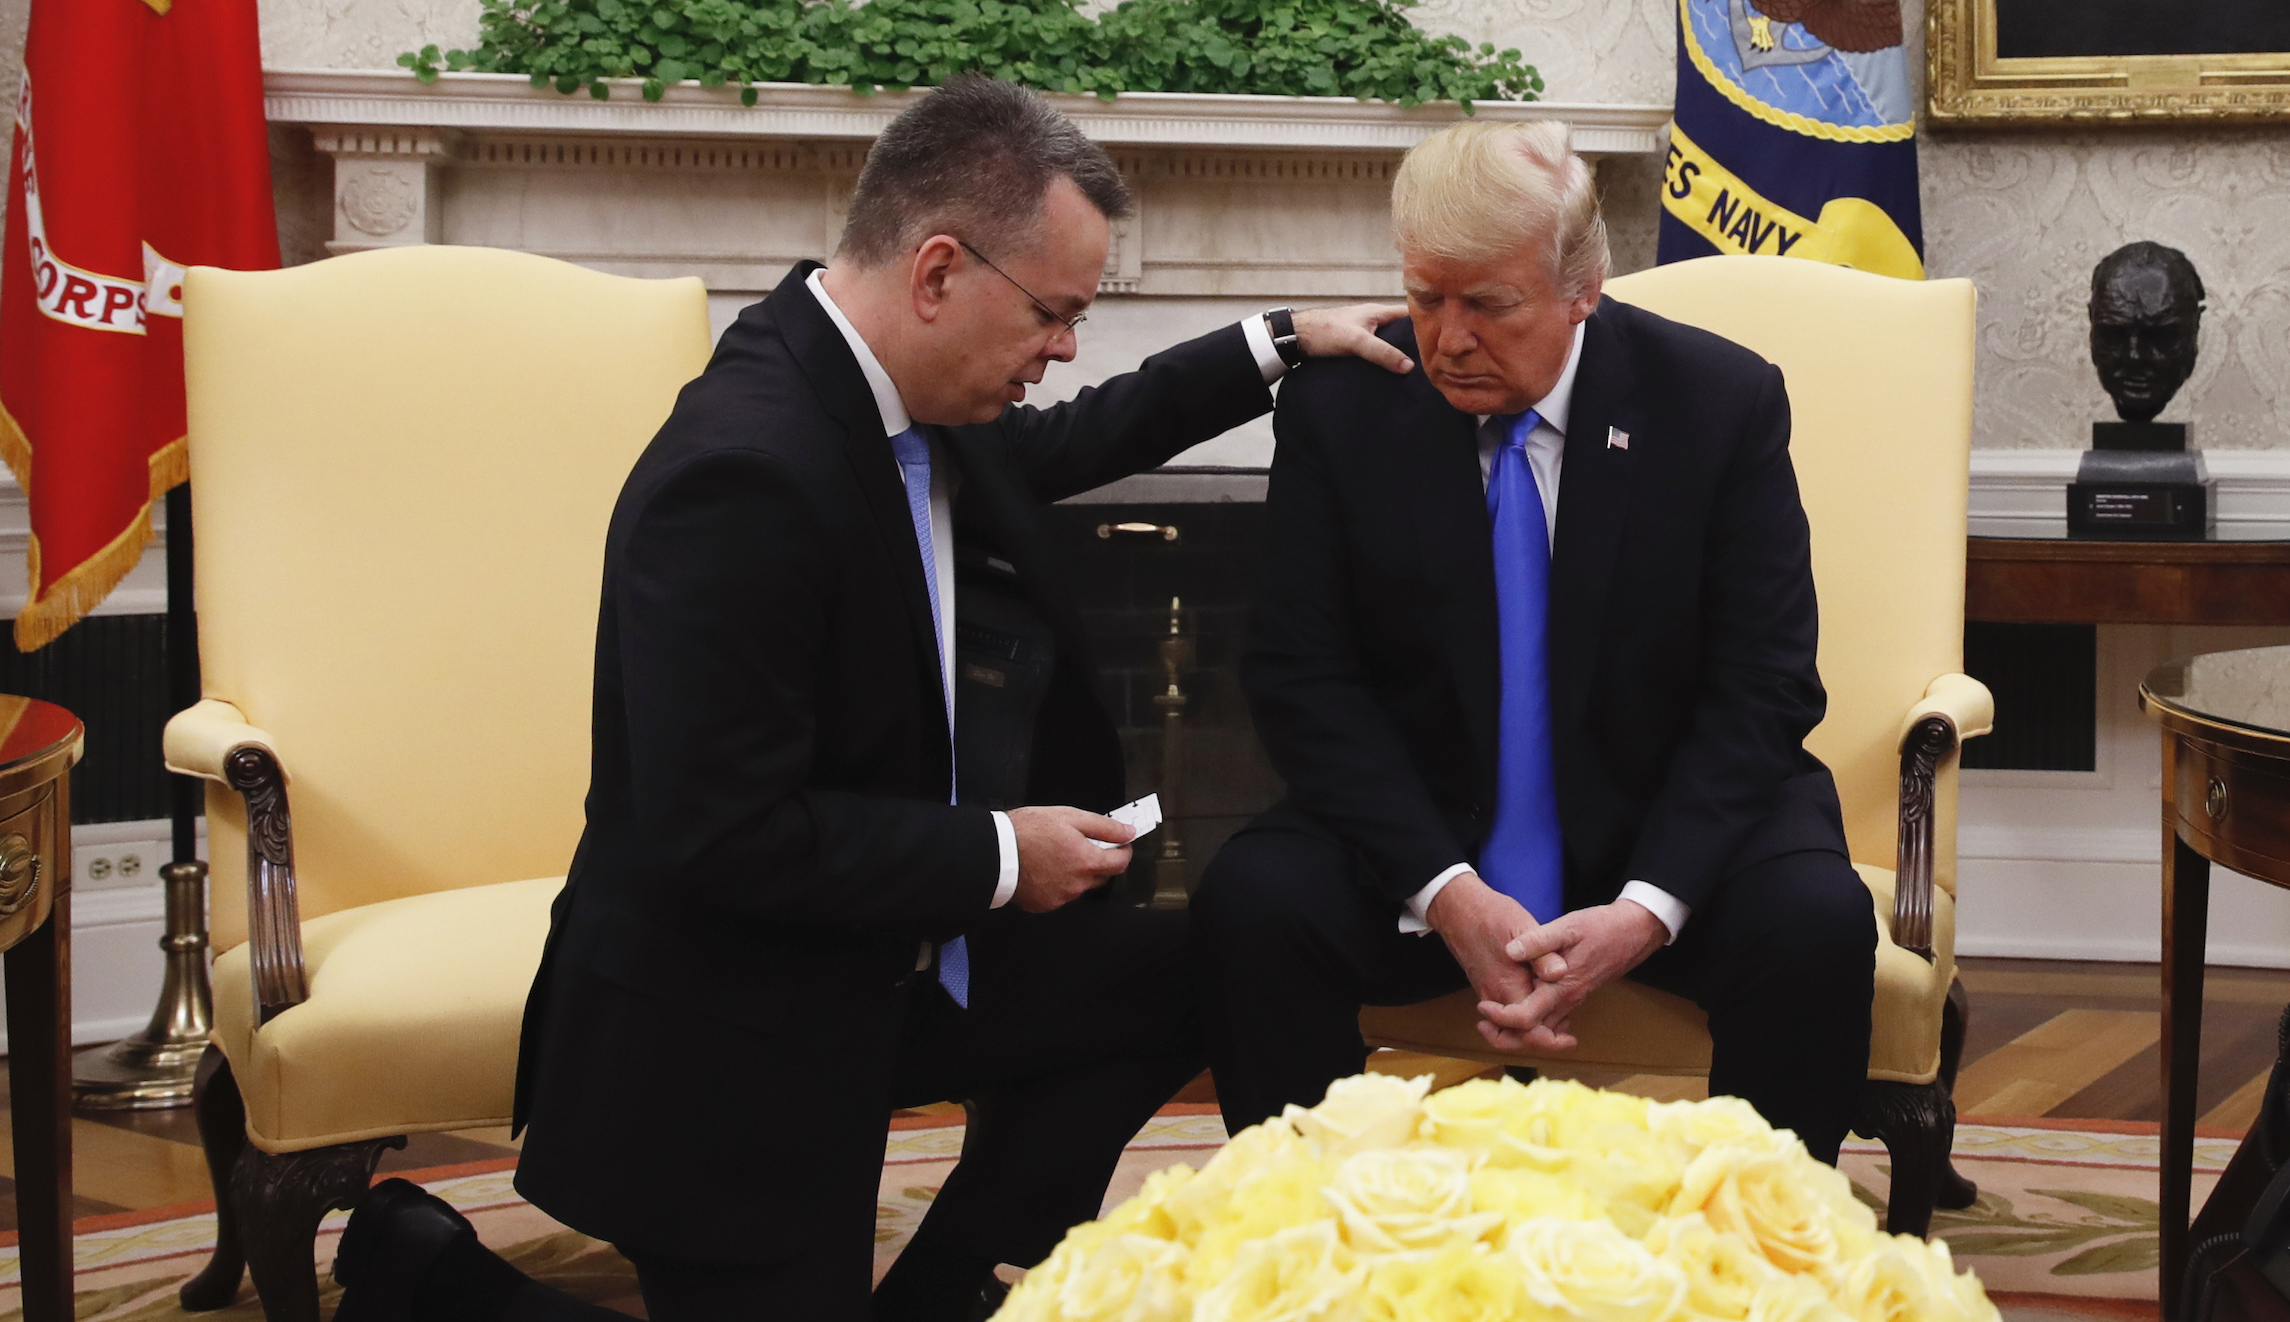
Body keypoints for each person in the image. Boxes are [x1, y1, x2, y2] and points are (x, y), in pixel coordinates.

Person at [330, 75, 1406, 1322]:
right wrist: (1001, 852)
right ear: (938, 271)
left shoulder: (903, 397)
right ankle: (429, 1275)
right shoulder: (746, 473)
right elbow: (720, 835)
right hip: (731, 1032)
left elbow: (1067, 441)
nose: (1065, 347)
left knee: (1191, 966)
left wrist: (1280, 340)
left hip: (886, 963)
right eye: (1054, 313)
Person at [1190, 119, 1878, 1166]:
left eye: (1489, 304)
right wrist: (1446, 890)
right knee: (1254, 903)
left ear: (1582, 288)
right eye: (1426, 298)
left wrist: (1645, 907)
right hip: (1424, 827)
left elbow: (1765, 682)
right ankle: (1320, 1226)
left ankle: (1759, 1236)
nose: (1448, 339)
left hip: (1659, 818)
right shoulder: (1343, 406)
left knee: (1813, 922)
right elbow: (1301, 676)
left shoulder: (1717, 401)